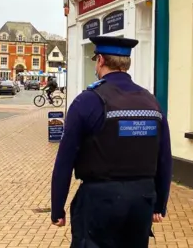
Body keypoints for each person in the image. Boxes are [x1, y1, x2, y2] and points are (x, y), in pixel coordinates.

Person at [50, 36, 172, 247]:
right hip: (141, 200)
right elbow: (164, 158)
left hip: (99, 201)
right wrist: (159, 204)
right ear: (127, 63)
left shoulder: (87, 101)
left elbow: (65, 160)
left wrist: (57, 208)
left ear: (100, 60)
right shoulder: (151, 102)